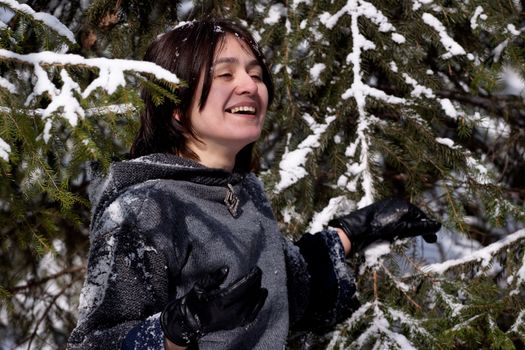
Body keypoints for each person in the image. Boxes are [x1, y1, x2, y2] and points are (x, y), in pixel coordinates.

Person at [67, 18, 441, 350]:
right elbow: (94, 342)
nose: (249, 85)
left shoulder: (243, 193)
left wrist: (353, 231)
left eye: (257, 74)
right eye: (225, 74)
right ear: (176, 106)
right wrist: (172, 332)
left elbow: (280, 292)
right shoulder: (145, 207)